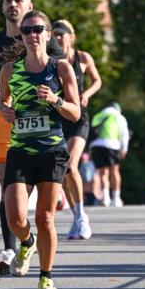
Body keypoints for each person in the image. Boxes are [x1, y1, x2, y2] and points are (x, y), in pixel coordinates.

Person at [0, 0, 63, 275]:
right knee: (8, 193)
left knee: (42, 210)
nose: (12, 4)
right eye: (8, 0)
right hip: (7, 124)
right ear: (2, 7)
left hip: (44, 131)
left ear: (29, 7)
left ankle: (54, 182)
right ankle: (12, 245)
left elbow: (65, 78)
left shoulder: (44, 37)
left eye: (18, 0)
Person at [0, 11, 80, 289]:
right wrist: (5, 111)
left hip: (51, 151)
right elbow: (3, 104)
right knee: (15, 218)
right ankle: (26, 242)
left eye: (38, 29)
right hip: (20, 150)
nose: (32, 35)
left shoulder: (61, 69)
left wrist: (56, 100)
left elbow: (76, 111)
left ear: (48, 35)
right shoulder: (9, 70)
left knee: (45, 217)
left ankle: (46, 277)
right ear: (21, 36)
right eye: (27, 30)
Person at [51, 19, 102, 240]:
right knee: (63, 171)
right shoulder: (51, 60)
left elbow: (97, 80)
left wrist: (86, 94)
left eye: (63, 34)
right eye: (55, 34)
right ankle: (77, 216)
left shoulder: (83, 57)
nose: (59, 37)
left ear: (72, 36)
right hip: (59, 118)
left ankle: (81, 216)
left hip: (79, 117)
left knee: (71, 164)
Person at [89, 102, 129, 206]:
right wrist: (124, 149)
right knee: (114, 171)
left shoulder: (98, 115)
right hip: (112, 145)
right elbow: (124, 134)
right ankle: (116, 199)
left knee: (103, 172)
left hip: (96, 146)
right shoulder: (118, 116)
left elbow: (91, 131)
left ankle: (105, 198)